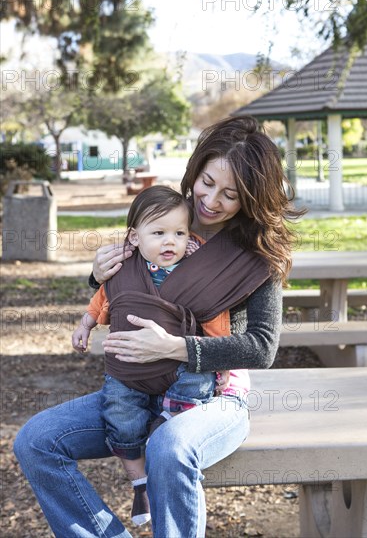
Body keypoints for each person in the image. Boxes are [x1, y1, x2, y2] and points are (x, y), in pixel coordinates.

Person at [14, 115, 304, 538]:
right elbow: (133, 288)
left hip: (212, 396)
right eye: (207, 182)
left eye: (231, 194)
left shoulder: (256, 255)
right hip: (137, 389)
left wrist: (176, 347)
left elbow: (262, 347)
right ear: (196, 169)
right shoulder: (165, 215)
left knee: (168, 448)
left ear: (252, 197)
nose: (212, 200)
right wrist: (97, 275)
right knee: (36, 442)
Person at [71, 185, 232, 527]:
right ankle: (139, 482)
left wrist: (223, 360)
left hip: (179, 366)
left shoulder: (196, 270)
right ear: (134, 237)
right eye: (158, 233)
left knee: (197, 382)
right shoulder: (123, 269)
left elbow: (214, 314)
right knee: (120, 412)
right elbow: (103, 298)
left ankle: (167, 420)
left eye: (178, 233)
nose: (169, 241)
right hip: (129, 371)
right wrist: (86, 324)